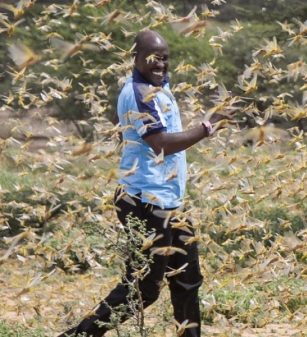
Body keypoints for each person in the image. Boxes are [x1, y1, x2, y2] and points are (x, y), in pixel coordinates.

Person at [60, 30, 228, 337]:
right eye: (153, 58)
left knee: (188, 278)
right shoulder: (137, 92)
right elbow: (160, 143)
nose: (160, 64)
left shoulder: (159, 87)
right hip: (143, 200)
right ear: (135, 58)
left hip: (169, 202)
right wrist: (204, 129)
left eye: (164, 58)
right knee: (144, 287)